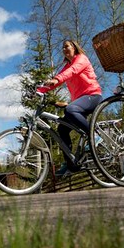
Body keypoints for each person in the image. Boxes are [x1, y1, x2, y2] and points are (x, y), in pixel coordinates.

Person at [41, 40, 103, 176]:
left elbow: (72, 71)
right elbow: (58, 80)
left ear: (74, 47)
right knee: (62, 128)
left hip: (92, 96)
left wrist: (57, 79)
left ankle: (95, 135)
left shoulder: (81, 59)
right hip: (80, 102)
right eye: (62, 47)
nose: (64, 49)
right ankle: (70, 163)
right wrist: (40, 90)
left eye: (66, 46)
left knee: (70, 110)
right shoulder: (67, 66)